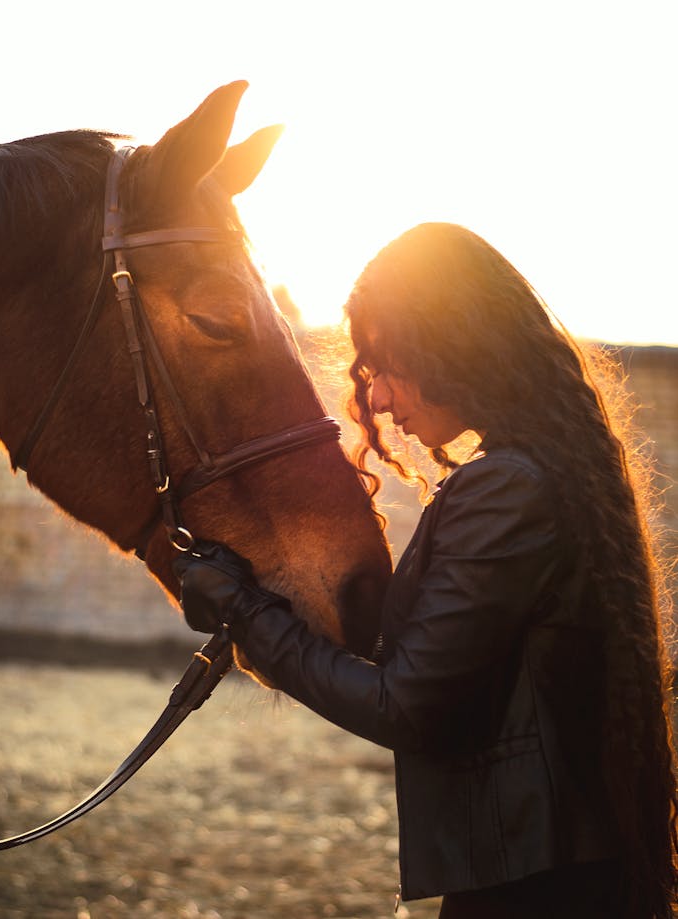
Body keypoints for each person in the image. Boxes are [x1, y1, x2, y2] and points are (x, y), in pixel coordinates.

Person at [174, 223, 678, 918]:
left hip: (532, 890)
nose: (374, 398)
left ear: (451, 342)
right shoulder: (535, 474)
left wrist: (247, 615)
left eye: (385, 364)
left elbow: (408, 702)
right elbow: (432, 659)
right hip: (546, 870)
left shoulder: (511, 488)